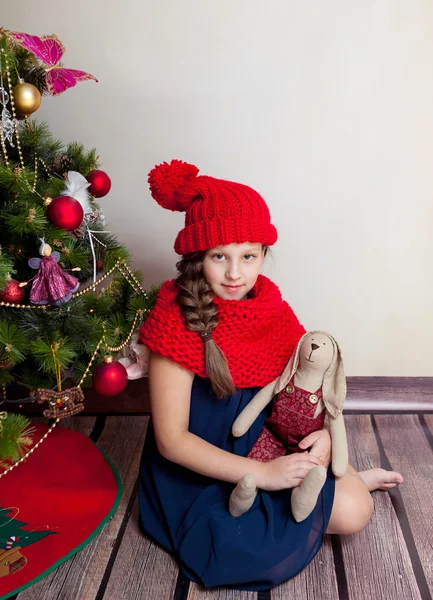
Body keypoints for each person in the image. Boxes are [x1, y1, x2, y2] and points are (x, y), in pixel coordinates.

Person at [137, 160, 403, 591]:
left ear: (264, 253)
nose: (235, 273)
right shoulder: (177, 318)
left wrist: (325, 435)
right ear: (196, 256)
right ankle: (346, 483)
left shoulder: (271, 307)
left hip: (267, 440)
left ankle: (347, 476)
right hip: (205, 467)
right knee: (351, 512)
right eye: (218, 256)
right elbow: (172, 442)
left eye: (249, 255)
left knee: (352, 506)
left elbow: (300, 388)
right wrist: (263, 475)